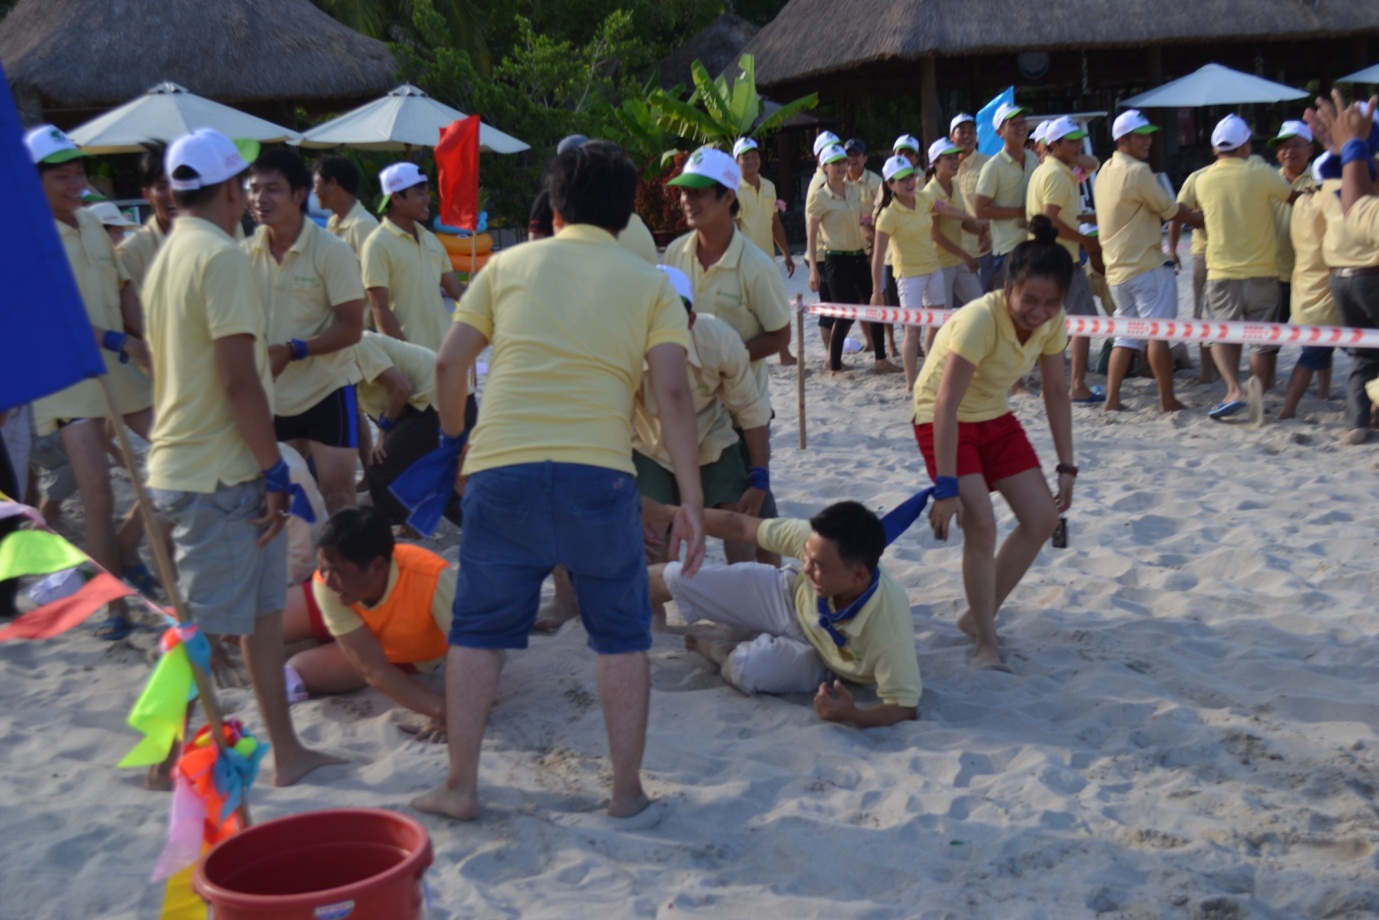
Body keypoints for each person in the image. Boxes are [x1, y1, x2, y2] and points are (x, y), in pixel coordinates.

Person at [411, 140, 706, 822]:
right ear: (628, 208)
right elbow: (672, 395)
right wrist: (689, 501)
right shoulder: (651, 284)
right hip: (597, 475)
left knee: (478, 632)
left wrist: (454, 440)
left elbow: (447, 367)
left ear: (557, 201)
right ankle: (625, 791)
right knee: (621, 635)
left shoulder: (505, 266)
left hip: (500, 468)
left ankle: (460, 784)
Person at [143, 128, 342, 785]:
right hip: (217, 471)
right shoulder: (220, 256)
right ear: (229, 188)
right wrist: (274, 469)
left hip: (201, 463)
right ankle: (161, 759)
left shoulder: (169, 253)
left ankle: (286, 751)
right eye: (245, 186)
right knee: (199, 627)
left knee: (257, 621)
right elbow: (237, 378)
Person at [913, 216, 1076, 670]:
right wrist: (946, 487)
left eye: (1051, 302)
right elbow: (945, 402)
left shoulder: (1053, 320)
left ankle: (976, 614)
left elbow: (1058, 392)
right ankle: (987, 639)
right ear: (1008, 286)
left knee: (1042, 517)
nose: (1040, 311)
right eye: (1030, 299)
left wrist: (1067, 466)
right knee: (981, 523)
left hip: (994, 415)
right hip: (941, 416)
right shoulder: (978, 319)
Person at [24, 124, 154, 641]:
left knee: (175, 459)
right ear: (34, 181)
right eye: (62, 174)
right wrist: (125, 342)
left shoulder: (93, 223)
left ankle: (129, 553)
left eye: (78, 170)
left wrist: (151, 336)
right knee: (97, 495)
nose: (76, 181)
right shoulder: (28, 239)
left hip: (122, 372)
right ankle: (113, 607)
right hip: (70, 381)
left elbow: (124, 293)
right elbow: (54, 320)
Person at [644, 498, 921, 728]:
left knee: (744, 669)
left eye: (818, 565)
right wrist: (669, 513)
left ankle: (719, 650)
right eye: (805, 558)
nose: (808, 566)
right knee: (670, 577)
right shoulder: (818, 543)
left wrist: (853, 715)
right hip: (789, 596)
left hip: (824, 662)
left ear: (859, 575)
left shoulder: (889, 622)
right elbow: (740, 526)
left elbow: (903, 706)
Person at [663, 146, 792, 555]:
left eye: (700, 191)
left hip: (742, 403)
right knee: (724, 510)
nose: (689, 200)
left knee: (750, 507)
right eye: (685, 191)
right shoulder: (674, 255)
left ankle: (766, 590)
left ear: (728, 197)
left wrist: (726, 360)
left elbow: (780, 336)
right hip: (691, 405)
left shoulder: (755, 265)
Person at [244, 149, 366, 513]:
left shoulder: (332, 251)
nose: (260, 199)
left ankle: (346, 569)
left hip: (327, 388)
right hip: (272, 393)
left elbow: (353, 327)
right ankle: (296, 568)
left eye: (272, 189)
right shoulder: (244, 253)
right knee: (276, 499)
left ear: (300, 194)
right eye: (253, 189)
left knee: (339, 496)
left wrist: (293, 350)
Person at [633, 266, 772, 564]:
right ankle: (655, 608)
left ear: (691, 319)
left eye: (670, 316)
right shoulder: (622, 349)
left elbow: (751, 410)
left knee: (741, 515)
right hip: (648, 441)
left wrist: (760, 479)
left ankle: (746, 597)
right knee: (649, 530)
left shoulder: (719, 341)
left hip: (709, 435)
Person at [281, 507, 454, 738]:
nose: (327, 578)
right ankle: (312, 638)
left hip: (395, 651)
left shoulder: (433, 579)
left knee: (297, 672)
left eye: (337, 570)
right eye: (323, 567)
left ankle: (311, 645)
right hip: (348, 607)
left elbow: (478, 651)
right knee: (263, 623)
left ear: (378, 567)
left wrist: (447, 713)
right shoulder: (329, 582)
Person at [1183, 114, 1297, 421]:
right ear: (1246, 145)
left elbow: (1187, 212)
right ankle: (1256, 399)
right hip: (1263, 271)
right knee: (1261, 342)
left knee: (1221, 334)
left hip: (1221, 271)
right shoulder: (1261, 173)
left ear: (1215, 150)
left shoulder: (1202, 179)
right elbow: (1292, 199)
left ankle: (1233, 388)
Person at [1095, 109, 1204, 413]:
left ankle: (1112, 399)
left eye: (1148, 135)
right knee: (1158, 333)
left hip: (1116, 269)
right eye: (1140, 136)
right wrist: (1198, 219)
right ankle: (1167, 400)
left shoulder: (1105, 170)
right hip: (1145, 265)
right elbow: (1169, 209)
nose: (1148, 140)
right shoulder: (1138, 171)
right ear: (1123, 140)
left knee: (1125, 337)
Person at [870, 150, 982, 391]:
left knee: (937, 323)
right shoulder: (887, 215)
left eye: (911, 176)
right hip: (909, 276)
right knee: (912, 330)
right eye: (902, 180)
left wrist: (972, 219)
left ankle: (932, 373)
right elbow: (878, 256)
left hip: (934, 270)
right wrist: (876, 290)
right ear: (891, 185)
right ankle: (911, 383)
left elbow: (946, 209)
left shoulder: (923, 198)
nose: (910, 182)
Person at [1309, 91, 1379, 444]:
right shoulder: (1366, 184)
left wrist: (1348, 146)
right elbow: (1362, 204)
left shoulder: (1326, 184)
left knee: (1362, 356)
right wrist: (1353, 146)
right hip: (1370, 275)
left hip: (1340, 277)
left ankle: (1357, 422)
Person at [353, 330, 473, 526]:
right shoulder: (347, 380)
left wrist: (384, 433)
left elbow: (401, 387)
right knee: (441, 480)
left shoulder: (358, 342)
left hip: (437, 402)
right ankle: (486, 529)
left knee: (381, 470)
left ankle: (386, 530)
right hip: (443, 401)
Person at [1025, 116, 1102, 404]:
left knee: (1052, 326)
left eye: (1078, 140)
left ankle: (1052, 385)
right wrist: (1084, 239)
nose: (1077, 145)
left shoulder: (1046, 170)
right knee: (1082, 324)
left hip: (1043, 256)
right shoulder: (1057, 174)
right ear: (1053, 144)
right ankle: (1077, 386)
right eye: (1071, 141)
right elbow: (1051, 219)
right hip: (1060, 257)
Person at [808, 143, 896, 373]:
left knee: (874, 308)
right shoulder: (819, 197)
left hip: (858, 257)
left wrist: (873, 243)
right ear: (824, 166)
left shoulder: (854, 191)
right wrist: (813, 271)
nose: (841, 166)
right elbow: (811, 234)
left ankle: (880, 359)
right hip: (835, 260)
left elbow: (860, 224)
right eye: (835, 163)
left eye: (843, 162)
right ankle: (833, 363)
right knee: (845, 314)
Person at [360, 162, 465, 350]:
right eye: (420, 194)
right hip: (411, 357)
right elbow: (379, 308)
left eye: (427, 194)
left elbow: (456, 288)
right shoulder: (377, 244)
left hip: (445, 351)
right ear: (396, 198)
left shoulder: (430, 239)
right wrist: (408, 356)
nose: (427, 200)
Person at [1260, 120, 1318, 391]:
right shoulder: (1267, 180)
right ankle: (1268, 383)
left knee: (1318, 336)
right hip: (1276, 269)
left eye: (1296, 145)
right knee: (1271, 334)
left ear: (1310, 149)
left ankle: (1324, 389)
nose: (1288, 152)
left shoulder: (1321, 178)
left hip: (1312, 271)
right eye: (1283, 147)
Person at [1278, 166, 1340, 420]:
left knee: (1319, 348)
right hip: (1325, 288)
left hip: (1303, 285)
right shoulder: (1330, 204)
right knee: (1314, 353)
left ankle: (1324, 392)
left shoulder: (1303, 200)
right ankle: (1287, 409)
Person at [733, 136, 798, 366]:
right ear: (736, 161)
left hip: (768, 258)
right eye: (745, 157)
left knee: (776, 305)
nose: (751, 161)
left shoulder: (769, 185)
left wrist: (787, 254)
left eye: (754, 156)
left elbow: (775, 223)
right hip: (744, 258)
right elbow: (735, 228)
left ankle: (784, 353)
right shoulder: (733, 190)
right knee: (747, 310)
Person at [973, 102, 1039, 290]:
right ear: (999, 133)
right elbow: (980, 209)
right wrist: (1021, 211)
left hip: (1035, 244)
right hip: (1009, 251)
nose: (1021, 127)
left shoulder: (1033, 158)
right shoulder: (993, 167)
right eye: (1013, 123)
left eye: (1022, 121)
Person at [1169, 165, 1218, 385]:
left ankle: (1217, 368)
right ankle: (1207, 372)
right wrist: (1172, 249)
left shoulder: (1253, 170)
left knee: (1228, 316)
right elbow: (1177, 214)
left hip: (1240, 254)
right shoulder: (1198, 177)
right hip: (1205, 254)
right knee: (1204, 313)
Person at [926, 138, 986, 316]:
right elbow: (935, 235)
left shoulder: (955, 185)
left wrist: (983, 230)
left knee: (980, 309)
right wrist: (966, 255)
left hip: (958, 261)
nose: (955, 162)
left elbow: (963, 222)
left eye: (955, 157)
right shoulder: (929, 192)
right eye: (948, 158)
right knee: (940, 321)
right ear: (935, 163)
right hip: (939, 265)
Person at [117, 143, 174, 290]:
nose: (174, 194)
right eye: (163, 187)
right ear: (147, 195)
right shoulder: (132, 252)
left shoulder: (219, 232)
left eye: (180, 184)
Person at [949, 115, 995, 290]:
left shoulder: (988, 164)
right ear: (951, 136)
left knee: (982, 304)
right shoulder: (943, 165)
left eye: (971, 131)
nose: (967, 136)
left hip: (980, 248)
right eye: (962, 131)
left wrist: (985, 232)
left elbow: (994, 203)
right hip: (949, 249)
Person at [312, 154, 381, 261]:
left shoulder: (363, 225)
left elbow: (373, 273)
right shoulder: (333, 222)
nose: (314, 191)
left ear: (332, 183)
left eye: (316, 184)